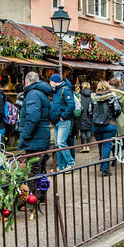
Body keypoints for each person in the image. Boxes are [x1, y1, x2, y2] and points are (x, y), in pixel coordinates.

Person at [18, 72, 52, 212]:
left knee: (33, 169)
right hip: (42, 135)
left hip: (35, 137)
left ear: (26, 82)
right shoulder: (42, 93)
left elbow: (33, 116)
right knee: (40, 167)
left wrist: (26, 135)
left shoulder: (32, 94)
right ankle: (41, 196)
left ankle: (31, 199)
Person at [89, 81, 121, 176]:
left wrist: (95, 119)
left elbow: (89, 111)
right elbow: (117, 110)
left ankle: (103, 165)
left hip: (96, 125)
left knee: (100, 145)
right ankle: (104, 169)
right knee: (107, 145)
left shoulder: (93, 98)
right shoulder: (112, 97)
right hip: (110, 125)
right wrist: (112, 117)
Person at [49, 74, 75, 171]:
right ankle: (60, 166)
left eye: (50, 81)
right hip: (56, 121)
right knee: (57, 144)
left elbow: (71, 105)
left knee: (61, 143)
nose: (49, 83)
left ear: (55, 81)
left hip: (63, 121)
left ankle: (70, 163)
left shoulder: (65, 90)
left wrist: (63, 116)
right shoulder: (57, 91)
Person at [109, 78, 124, 151]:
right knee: (118, 140)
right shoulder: (122, 96)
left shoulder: (106, 95)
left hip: (109, 120)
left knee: (109, 141)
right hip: (120, 120)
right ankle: (117, 156)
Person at [78, 82, 93, 153]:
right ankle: (88, 147)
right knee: (88, 130)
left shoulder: (80, 95)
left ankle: (83, 146)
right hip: (89, 115)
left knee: (83, 131)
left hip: (81, 115)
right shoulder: (91, 95)